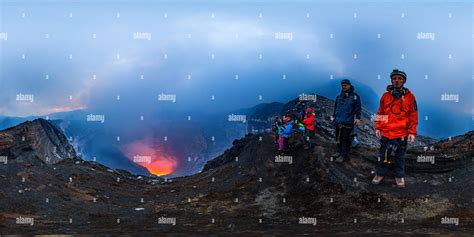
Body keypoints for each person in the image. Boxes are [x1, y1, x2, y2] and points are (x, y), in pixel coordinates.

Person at [372, 69, 418, 188]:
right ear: (391, 80)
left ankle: (399, 176)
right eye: (395, 78)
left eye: (400, 78)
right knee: (384, 154)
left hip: (401, 133)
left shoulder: (410, 97)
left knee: (400, 156)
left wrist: (412, 132)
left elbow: (413, 115)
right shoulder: (385, 96)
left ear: (404, 81)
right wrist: (378, 127)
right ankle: (380, 174)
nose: (397, 80)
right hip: (387, 132)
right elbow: (381, 112)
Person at [332, 79, 361, 163]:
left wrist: (358, 118)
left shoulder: (355, 96)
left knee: (345, 139)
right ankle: (339, 151)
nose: (343, 86)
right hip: (338, 121)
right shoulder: (339, 97)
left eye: (345, 85)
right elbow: (335, 108)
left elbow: (358, 108)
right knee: (338, 137)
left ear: (349, 85)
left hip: (348, 121)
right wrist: (334, 117)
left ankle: (343, 155)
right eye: (342, 85)